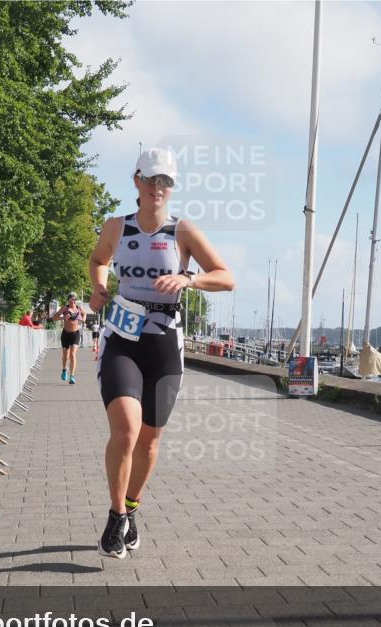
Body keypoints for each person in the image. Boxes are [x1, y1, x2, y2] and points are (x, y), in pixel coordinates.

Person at [89, 147, 234, 558]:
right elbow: (99, 259)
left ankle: (132, 507)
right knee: (126, 431)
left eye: (165, 181)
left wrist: (188, 279)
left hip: (165, 343)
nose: (158, 188)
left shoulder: (182, 231)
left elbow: (226, 277)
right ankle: (116, 517)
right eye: (151, 179)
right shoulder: (116, 227)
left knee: (150, 442)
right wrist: (99, 286)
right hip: (122, 337)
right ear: (136, 180)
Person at [52, 293, 84, 384]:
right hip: (66, 333)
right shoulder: (65, 308)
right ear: (68, 300)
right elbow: (54, 318)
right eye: (70, 299)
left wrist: (83, 319)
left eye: (73, 299)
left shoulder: (78, 308)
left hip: (75, 333)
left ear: (75, 300)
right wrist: (63, 317)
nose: (72, 301)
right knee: (66, 356)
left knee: (73, 355)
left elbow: (84, 314)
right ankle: (64, 369)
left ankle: (72, 376)